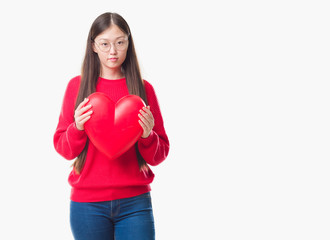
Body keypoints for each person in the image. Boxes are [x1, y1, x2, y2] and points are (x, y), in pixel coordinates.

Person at [53, 12, 169, 240]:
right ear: (94, 46)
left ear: (128, 42)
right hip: (87, 205)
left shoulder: (144, 90)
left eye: (119, 43)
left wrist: (147, 136)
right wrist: (77, 127)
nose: (113, 51)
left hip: (135, 203)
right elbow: (63, 149)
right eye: (104, 44)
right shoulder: (76, 87)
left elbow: (161, 153)